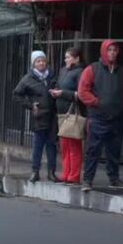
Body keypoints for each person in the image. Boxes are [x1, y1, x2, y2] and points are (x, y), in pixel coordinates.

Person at [78, 40, 123, 192]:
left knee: (114, 150)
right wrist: (98, 103)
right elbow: (83, 91)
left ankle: (114, 179)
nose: (112, 52)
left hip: (116, 117)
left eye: (114, 50)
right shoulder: (92, 69)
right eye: (109, 49)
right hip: (97, 117)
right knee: (93, 150)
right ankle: (88, 180)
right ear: (104, 51)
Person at [14, 51, 58, 183]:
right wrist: (30, 105)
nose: (41, 63)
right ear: (33, 63)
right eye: (38, 61)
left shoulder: (52, 76)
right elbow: (17, 95)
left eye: (43, 60)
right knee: (38, 145)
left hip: (53, 115)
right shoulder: (28, 78)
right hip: (39, 116)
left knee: (52, 145)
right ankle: (35, 171)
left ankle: (51, 172)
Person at [49, 47, 86, 184]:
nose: (66, 60)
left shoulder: (81, 72)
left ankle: (74, 175)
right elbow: (59, 85)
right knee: (65, 146)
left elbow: (81, 94)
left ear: (77, 58)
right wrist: (55, 91)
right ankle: (66, 173)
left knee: (74, 145)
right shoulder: (63, 71)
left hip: (73, 113)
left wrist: (62, 93)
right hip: (62, 112)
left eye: (68, 57)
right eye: (65, 57)